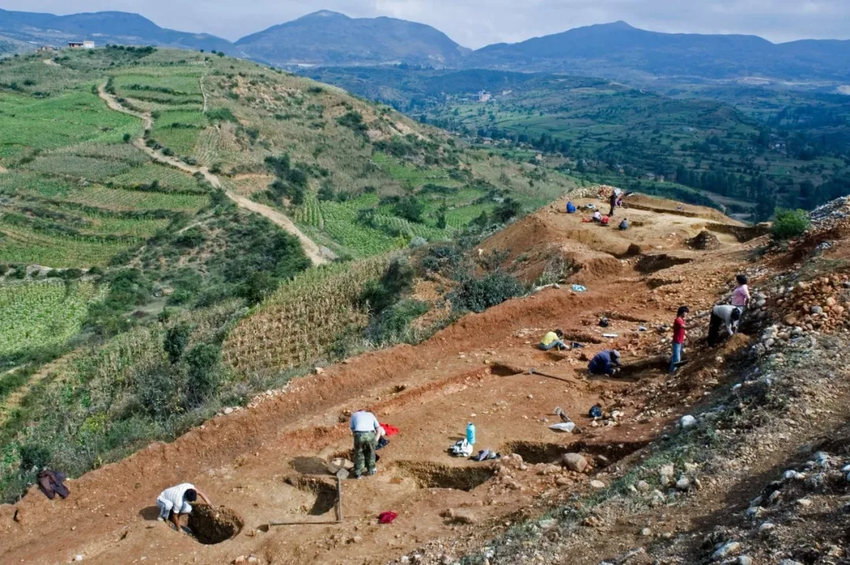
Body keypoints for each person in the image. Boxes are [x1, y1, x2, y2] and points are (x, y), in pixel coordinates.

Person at [350, 409, 380, 478]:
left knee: (359, 454)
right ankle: (371, 470)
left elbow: (352, 429)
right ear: (364, 411)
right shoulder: (370, 414)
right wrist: (375, 441)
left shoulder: (354, 415)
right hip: (370, 434)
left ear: (358, 412)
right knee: (371, 452)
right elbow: (379, 429)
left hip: (359, 435)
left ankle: (358, 473)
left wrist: (358, 438)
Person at [670, 306, 689, 372]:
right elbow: (685, 328)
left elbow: (683, 331)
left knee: (676, 358)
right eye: (685, 312)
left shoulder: (682, 320)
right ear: (681, 312)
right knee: (677, 359)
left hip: (680, 341)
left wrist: (688, 338)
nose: (686, 314)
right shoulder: (678, 320)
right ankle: (672, 372)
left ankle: (671, 371)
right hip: (677, 341)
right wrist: (695, 325)